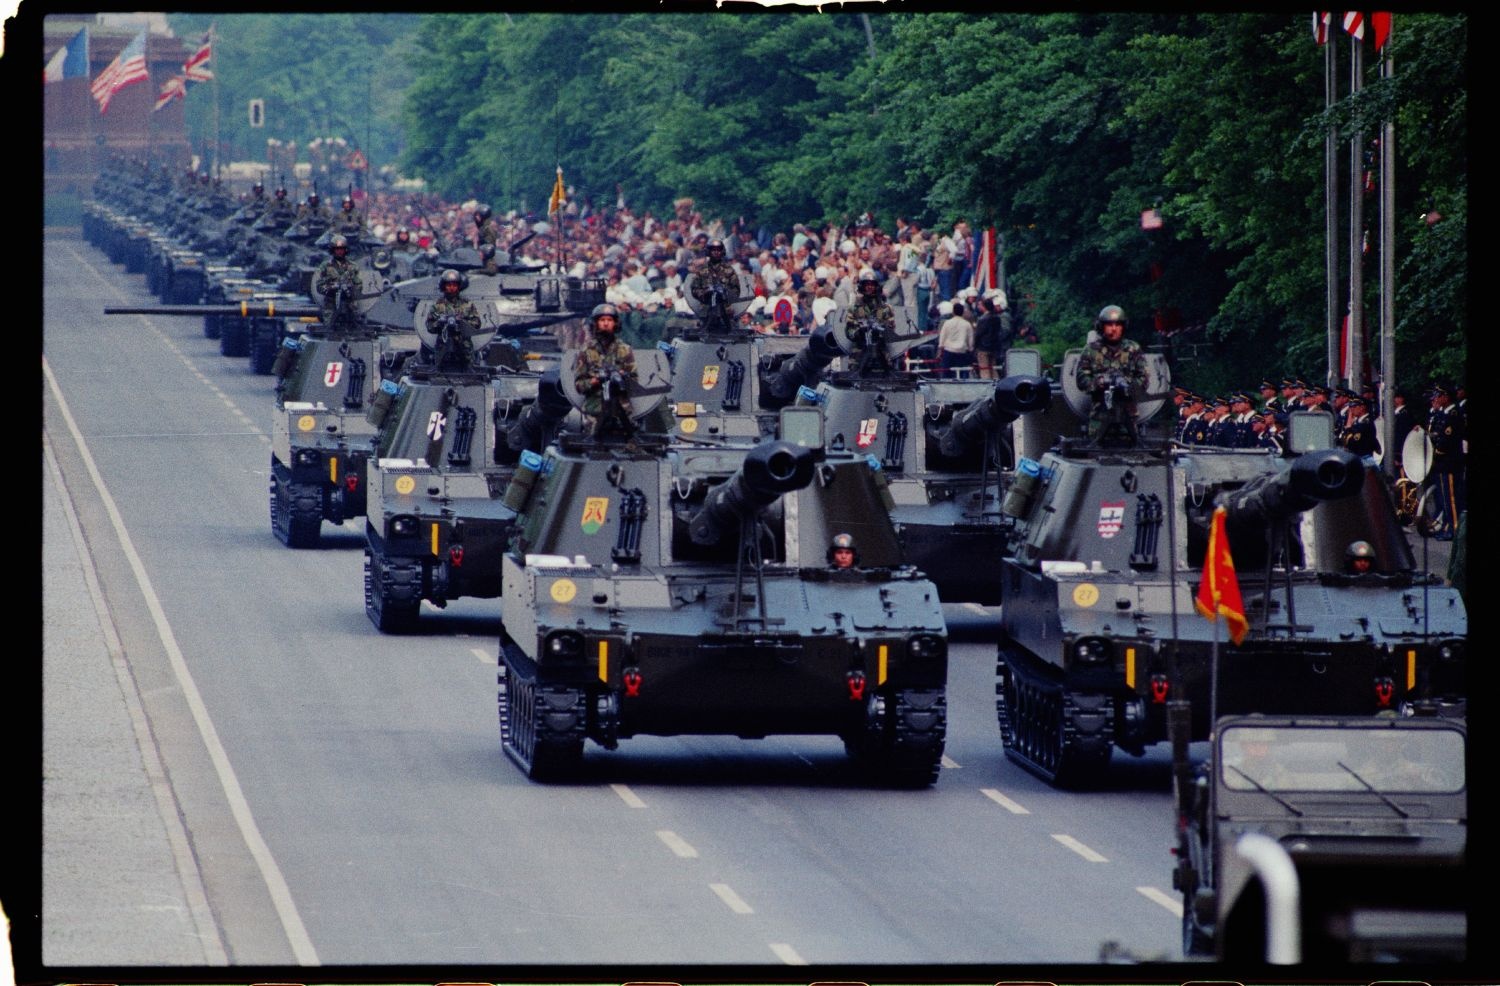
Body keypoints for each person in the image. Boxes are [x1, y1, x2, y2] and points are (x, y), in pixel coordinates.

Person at [1075, 304, 1146, 445]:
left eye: (1118, 324)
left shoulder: (1133, 349)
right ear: (1102, 327)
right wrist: (1100, 382)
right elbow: (1081, 379)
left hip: (1128, 419)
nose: (1114, 329)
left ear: (1123, 326)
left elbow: (1143, 378)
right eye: (1109, 325)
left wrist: (1128, 386)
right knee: (1095, 455)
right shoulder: (1091, 351)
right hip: (1099, 418)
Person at [573, 303, 638, 435]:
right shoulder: (586, 351)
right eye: (602, 320)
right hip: (595, 411)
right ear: (596, 324)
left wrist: (621, 377)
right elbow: (579, 385)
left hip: (622, 412)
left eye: (609, 320)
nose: (606, 324)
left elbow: (634, 381)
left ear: (615, 324)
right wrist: (596, 381)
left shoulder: (624, 350)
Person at [1424, 382, 1464, 539]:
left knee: (1452, 498)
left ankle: (1454, 528)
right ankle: (1448, 525)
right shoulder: (1443, 414)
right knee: (1445, 498)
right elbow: (1435, 434)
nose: (1436, 399)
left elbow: (1447, 440)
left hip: (1450, 462)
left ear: (1446, 397)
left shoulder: (1453, 415)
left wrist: (1435, 455)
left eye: (1438, 396)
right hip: (1443, 463)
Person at [425, 269, 482, 367]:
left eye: (454, 285)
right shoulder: (438, 306)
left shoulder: (467, 304)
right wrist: (440, 323)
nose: (451, 288)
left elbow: (477, 323)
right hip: (443, 348)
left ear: (459, 287)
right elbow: (430, 326)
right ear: (444, 286)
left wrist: (462, 323)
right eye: (449, 285)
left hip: (464, 348)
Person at [844, 269, 896, 375]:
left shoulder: (886, 308)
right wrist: (858, 332)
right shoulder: (854, 308)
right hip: (859, 353)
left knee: (887, 380)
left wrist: (881, 331)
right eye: (866, 284)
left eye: (872, 284)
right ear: (862, 287)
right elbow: (849, 330)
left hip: (881, 352)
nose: (869, 287)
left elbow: (891, 329)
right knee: (855, 379)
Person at [689, 238, 741, 326]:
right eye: (713, 250)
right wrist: (705, 293)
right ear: (709, 251)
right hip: (706, 310)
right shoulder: (702, 270)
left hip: (725, 310)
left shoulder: (729, 270)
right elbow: (694, 289)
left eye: (718, 250)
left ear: (722, 251)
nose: (716, 252)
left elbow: (736, 290)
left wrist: (725, 292)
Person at [313, 234, 362, 327]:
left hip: (349, 304)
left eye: (342, 249)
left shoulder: (353, 266)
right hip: (331, 303)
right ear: (332, 250)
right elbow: (319, 286)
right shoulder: (326, 266)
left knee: (355, 326)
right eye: (337, 249)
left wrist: (350, 288)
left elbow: (359, 284)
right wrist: (331, 288)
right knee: (329, 325)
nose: (339, 252)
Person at [937, 301, 975, 378]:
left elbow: (942, 337)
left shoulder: (947, 323)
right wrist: (970, 350)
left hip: (949, 350)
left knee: (946, 373)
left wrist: (940, 350)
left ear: (953, 312)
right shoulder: (967, 324)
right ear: (963, 312)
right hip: (962, 351)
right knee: (961, 374)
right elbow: (970, 340)